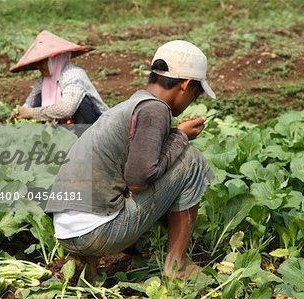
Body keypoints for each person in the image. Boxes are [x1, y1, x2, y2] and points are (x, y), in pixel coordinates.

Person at [45, 40, 216, 280]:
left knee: (163, 158)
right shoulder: (155, 110)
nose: (191, 104)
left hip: (67, 233)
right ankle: (177, 266)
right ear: (186, 85)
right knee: (191, 160)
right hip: (97, 234)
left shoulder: (133, 104)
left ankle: (89, 264)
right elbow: (138, 181)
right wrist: (180, 136)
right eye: (195, 97)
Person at [9, 30, 108, 124]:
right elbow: (29, 103)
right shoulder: (44, 80)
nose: (39, 66)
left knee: (81, 103)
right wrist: (19, 112)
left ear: (55, 59)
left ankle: (83, 139)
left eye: (42, 62)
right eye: (37, 63)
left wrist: (32, 113)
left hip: (94, 126)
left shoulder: (73, 75)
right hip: (66, 127)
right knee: (39, 97)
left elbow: (66, 109)